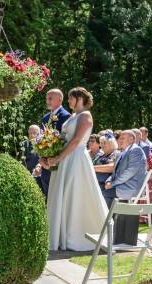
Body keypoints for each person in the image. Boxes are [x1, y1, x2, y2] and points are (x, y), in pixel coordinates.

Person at [41, 87, 108, 251]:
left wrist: (58, 157)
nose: (69, 101)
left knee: (74, 195)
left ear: (79, 99)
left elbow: (76, 140)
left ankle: (74, 237)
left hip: (76, 160)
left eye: (71, 98)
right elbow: (63, 139)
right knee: (62, 195)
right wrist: (48, 154)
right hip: (65, 159)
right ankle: (59, 236)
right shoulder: (73, 116)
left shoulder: (85, 116)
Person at [105, 130, 147, 244]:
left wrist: (112, 184)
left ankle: (107, 224)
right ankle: (110, 227)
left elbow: (130, 172)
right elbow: (115, 172)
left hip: (130, 188)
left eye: (123, 138)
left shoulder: (136, 150)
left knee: (104, 194)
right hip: (121, 185)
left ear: (132, 139)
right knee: (103, 190)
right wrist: (108, 181)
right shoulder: (121, 152)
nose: (120, 140)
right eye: (120, 138)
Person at [40, 89, 71, 198]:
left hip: (59, 164)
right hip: (45, 165)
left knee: (57, 197)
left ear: (59, 99)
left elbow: (66, 141)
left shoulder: (67, 117)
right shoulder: (45, 117)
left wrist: (55, 159)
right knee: (47, 197)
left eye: (50, 98)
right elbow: (41, 140)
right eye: (46, 98)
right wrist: (41, 159)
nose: (47, 101)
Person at [93, 133, 120, 201]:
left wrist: (92, 168)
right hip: (95, 185)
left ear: (111, 143)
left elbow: (111, 167)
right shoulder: (99, 155)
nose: (102, 145)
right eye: (101, 143)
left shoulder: (115, 153)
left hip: (107, 186)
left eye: (105, 143)